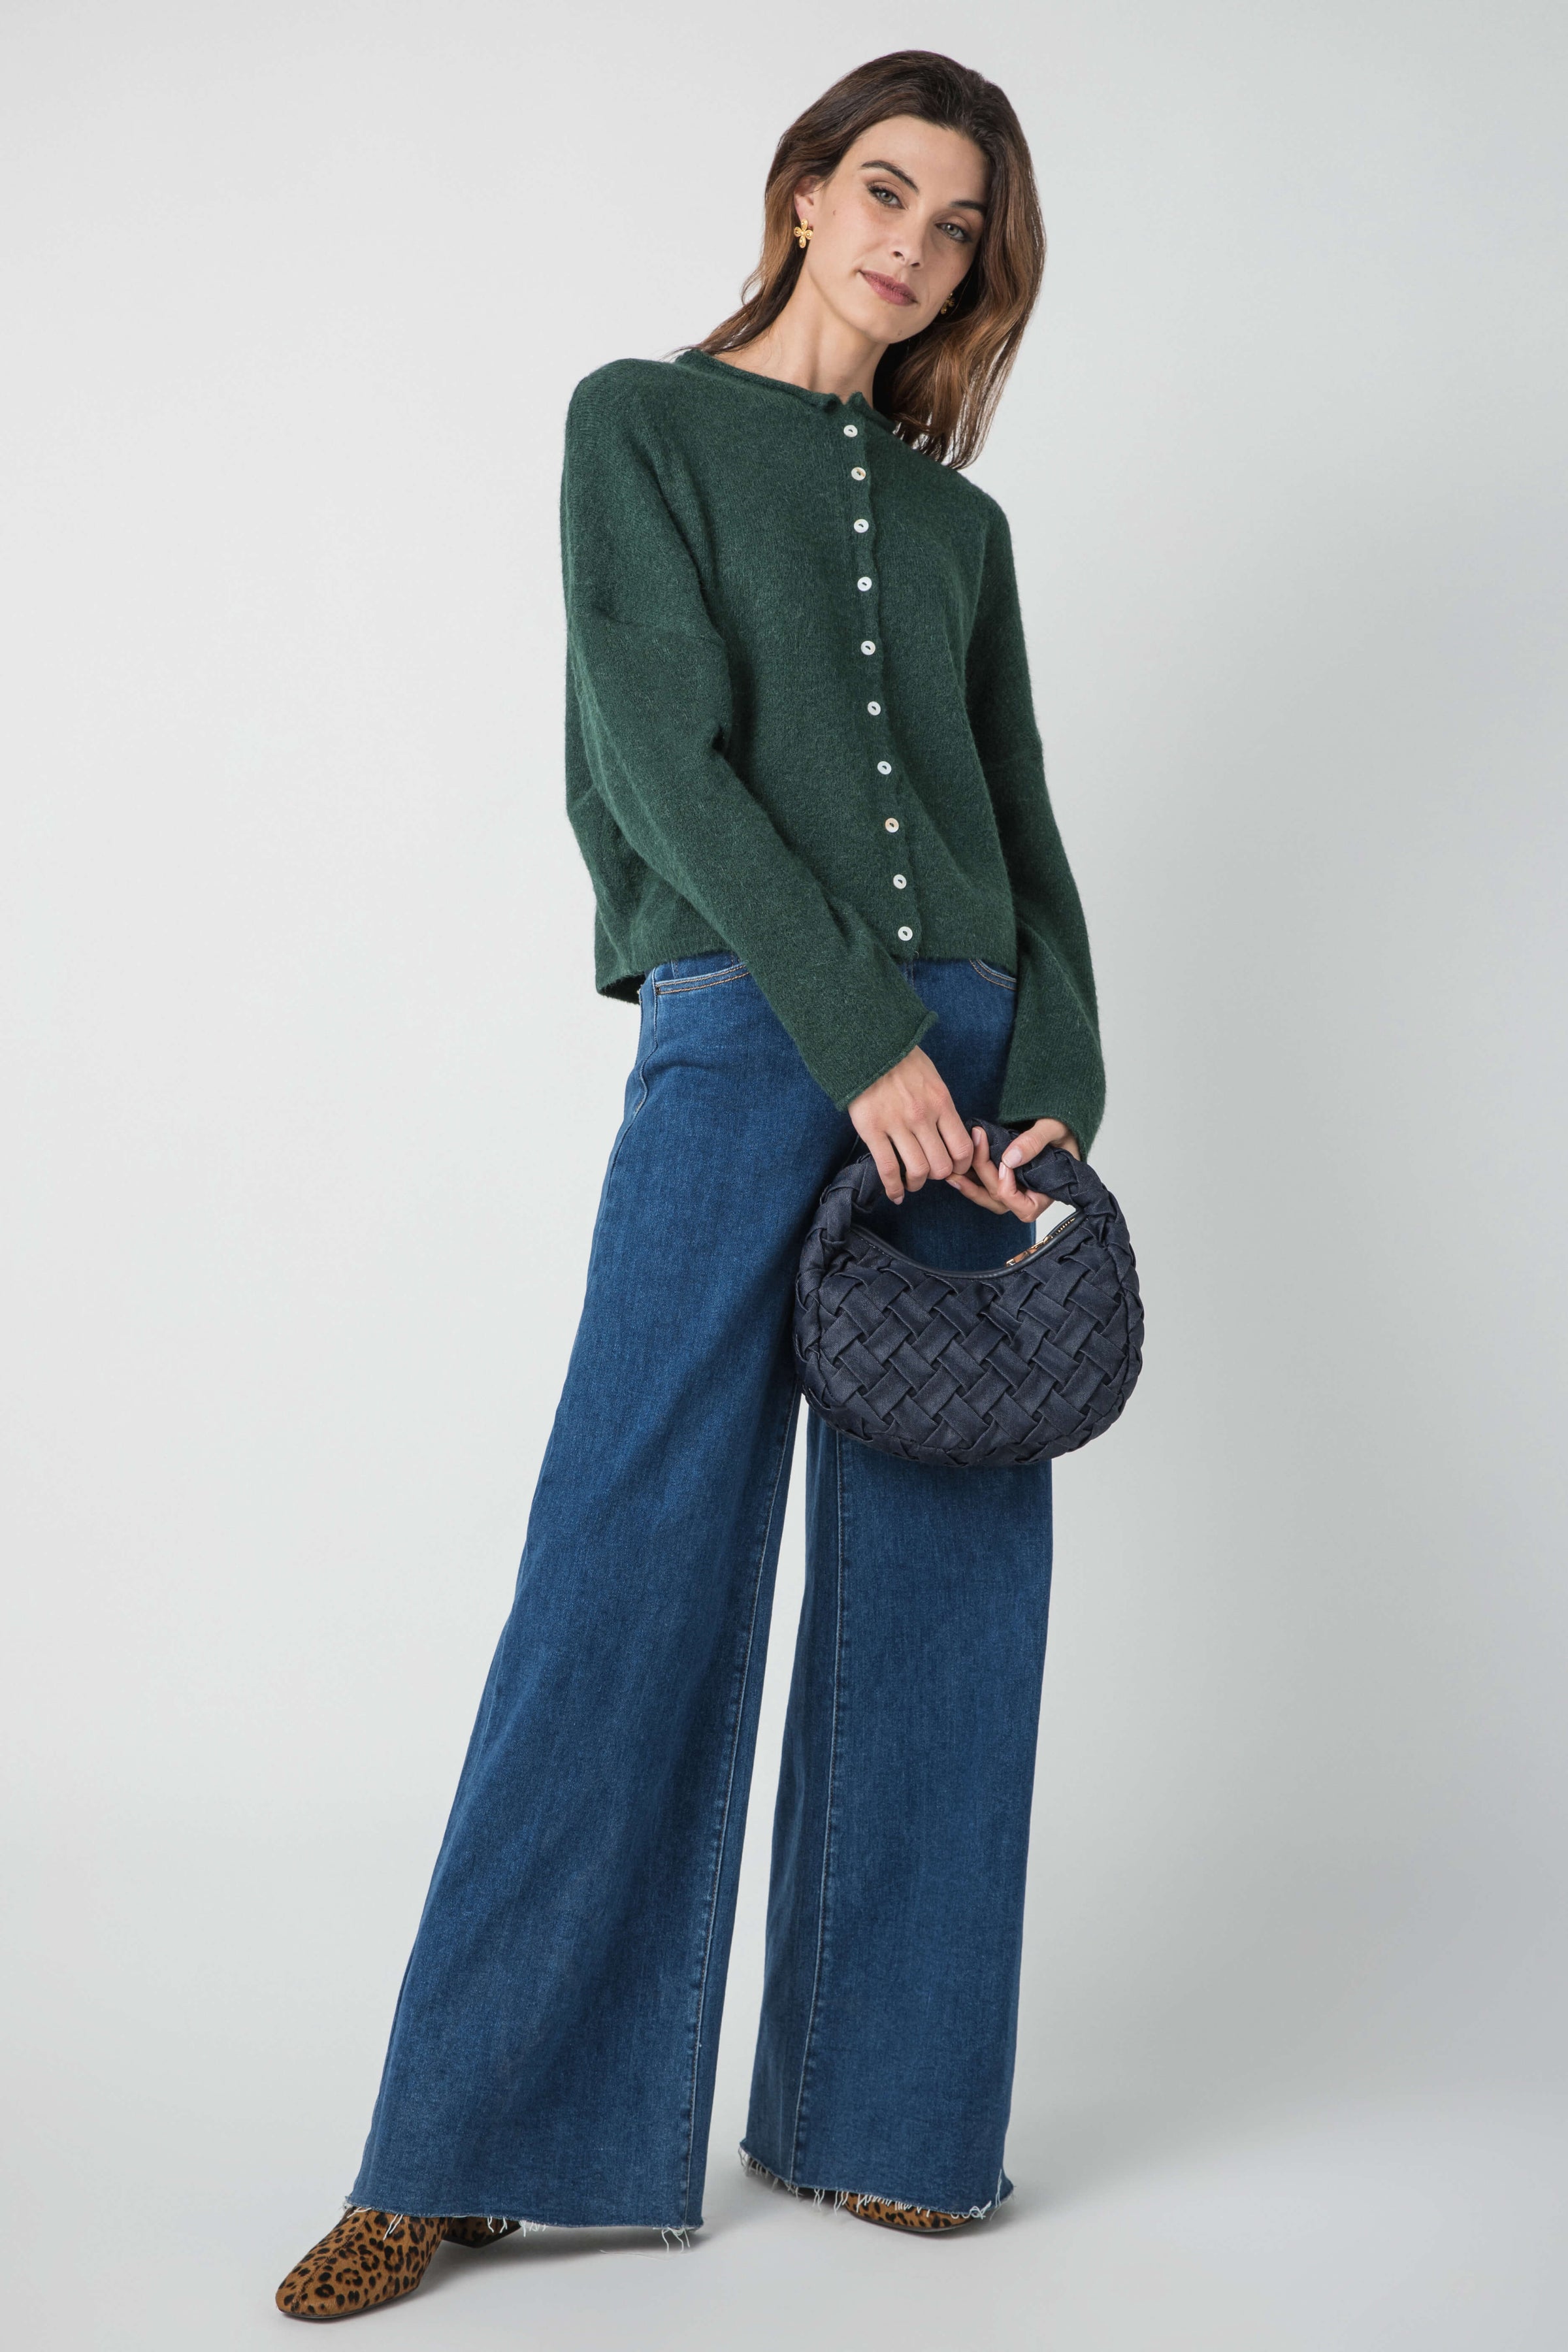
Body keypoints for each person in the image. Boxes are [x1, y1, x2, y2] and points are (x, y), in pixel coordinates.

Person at [276, 46, 1104, 2321]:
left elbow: (1027, 832)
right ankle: (468, 2146)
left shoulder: (962, 533)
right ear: (805, 188)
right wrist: (851, 1036)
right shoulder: (635, 423)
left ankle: (896, 2120)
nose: (913, 246)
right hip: (754, 1027)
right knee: (625, 1547)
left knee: (949, 1574)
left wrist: (1049, 1084)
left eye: (958, 228)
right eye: (886, 191)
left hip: (969, 1060)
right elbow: (662, 752)